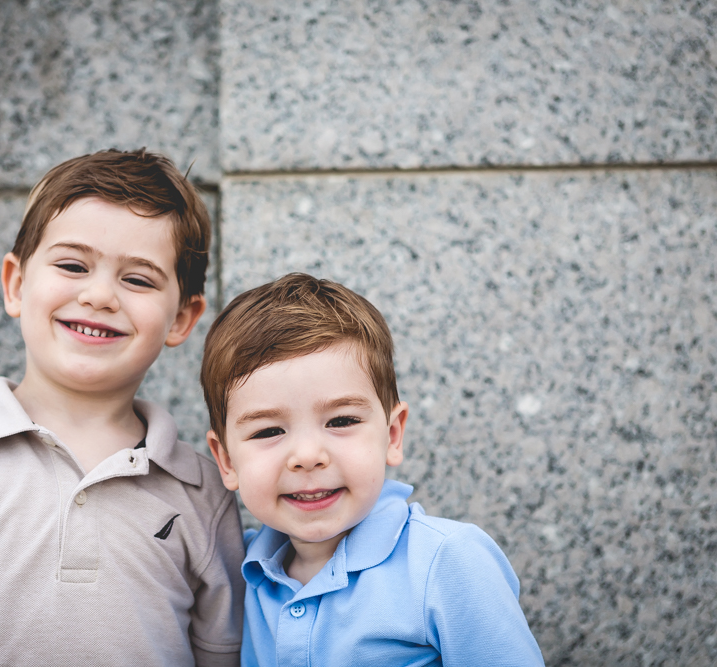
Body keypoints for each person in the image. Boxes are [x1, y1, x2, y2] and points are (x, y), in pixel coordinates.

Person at [0, 149, 245, 666]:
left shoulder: (203, 491)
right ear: (16, 284)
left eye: (138, 279)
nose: (99, 295)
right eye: (73, 265)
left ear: (182, 319)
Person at [201, 273, 544, 666]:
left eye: (341, 421)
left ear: (393, 434)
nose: (308, 456)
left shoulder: (448, 562)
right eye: (269, 430)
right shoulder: (243, 573)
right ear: (226, 460)